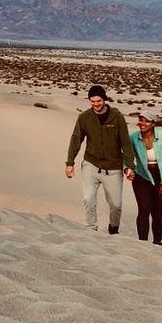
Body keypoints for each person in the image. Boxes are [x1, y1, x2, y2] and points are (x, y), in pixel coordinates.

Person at [65, 84, 136, 233]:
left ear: (104, 100)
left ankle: (113, 228)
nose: (96, 104)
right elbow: (76, 139)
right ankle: (91, 230)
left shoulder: (117, 117)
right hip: (91, 165)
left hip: (113, 168)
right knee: (88, 199)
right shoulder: (84, 117)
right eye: (92, 101)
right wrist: (70, 162)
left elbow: (126, 143)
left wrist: (129, 166)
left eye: (99, 101)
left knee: (116, 205)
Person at [127, 109, 162, 245]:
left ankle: (157, 243)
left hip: (161, 177)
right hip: (142, 177)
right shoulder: (133, 137)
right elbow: (126, 156)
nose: (142, 123)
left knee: (157, 213)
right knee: (144, 209)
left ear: (153, 123)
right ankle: (142, 243)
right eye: (140, 120)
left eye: (146, 120)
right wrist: (128, 169)